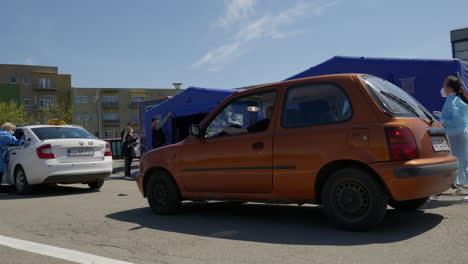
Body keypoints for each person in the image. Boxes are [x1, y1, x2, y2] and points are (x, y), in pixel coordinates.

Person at [440, 76, 468, 193]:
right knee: (462, 159)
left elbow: (456, 119)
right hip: (461, 133)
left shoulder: (452, 100)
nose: (443, 89)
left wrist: (443, 120)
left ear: (450, 88)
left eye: (445, 86)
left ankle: (458, 183)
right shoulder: (458, 99)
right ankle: (458, 184)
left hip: (455, 134)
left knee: (457, 160)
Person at [0, 122, 20, 191]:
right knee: (0, 171)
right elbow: (16, 142)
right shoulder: (5, 135)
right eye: (13, 130)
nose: (13, 132)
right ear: (9, 128)